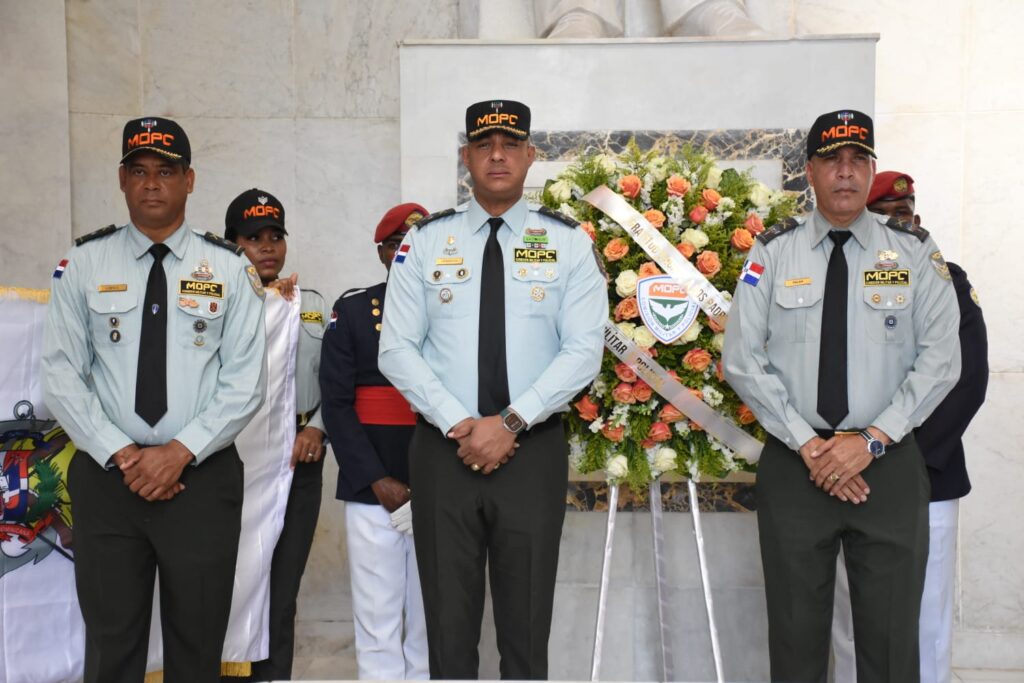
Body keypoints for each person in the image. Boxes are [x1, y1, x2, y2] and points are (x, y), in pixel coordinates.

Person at [722, 110, 962, 682]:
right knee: (797, 640)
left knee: (889, 641)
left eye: (859, 159)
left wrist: (871, 442)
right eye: (833, 159)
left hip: (888, 467)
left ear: (871, 168)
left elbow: (941, 358)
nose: (847, 172)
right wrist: (811, 446)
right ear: (810, 171)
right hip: (795, 464)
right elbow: (742, 359)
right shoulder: (771, 254)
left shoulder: (913, 254)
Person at [378, 99, 607, 679]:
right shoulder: (425, 241)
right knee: (448, 633)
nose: (497, 156)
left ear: (531, 155)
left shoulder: (569, 242)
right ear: (466, 158)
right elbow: (396, 349)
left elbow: (583, 350)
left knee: (527, 631)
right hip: (443, 451)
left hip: (531, 449)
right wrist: (462, 423)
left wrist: (508, 424)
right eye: (484, 145)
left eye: (509, 145)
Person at [41, 117, 267, 683]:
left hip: (201, 479)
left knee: (196, 650)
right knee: (112, 648)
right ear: (121, 180)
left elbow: (245, 383)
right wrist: (120, 451)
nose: (151, 184)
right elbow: (62, 374)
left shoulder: (229, 268)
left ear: (189, 180)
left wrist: (179, 451)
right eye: (138, 171)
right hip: (108, 478)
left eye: (165, 171)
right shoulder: (84, 264)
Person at [831, 172, 988, 683]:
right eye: (886, 219)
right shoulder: (836, 279)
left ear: (917, 222)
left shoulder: (949, 281)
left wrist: (897, 459)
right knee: (852, 623)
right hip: (847, 480)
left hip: (924, 477)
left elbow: (964, 380)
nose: (899, 230)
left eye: (906, 218)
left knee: (924, 618)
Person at [319, 203, 432, 680]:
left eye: (416, 242)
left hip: (440, 484)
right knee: (377, 617)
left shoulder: (456, 310)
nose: (406, 251)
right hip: (372, 487)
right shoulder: (353, 311)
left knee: (433, 617)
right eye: (396, 244)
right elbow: (337, 405)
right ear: (382, 252)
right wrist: (376, 480)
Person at [223, 188, 329, 681]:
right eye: (253, 238)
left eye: (275, 237)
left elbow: (337, 379)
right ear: (232, 244)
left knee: (280, 588)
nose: (267, 247)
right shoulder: (218, 304)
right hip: (229, 466)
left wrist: (319, 430)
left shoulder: (309, 304)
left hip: (296, 463)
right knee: (225, 583)